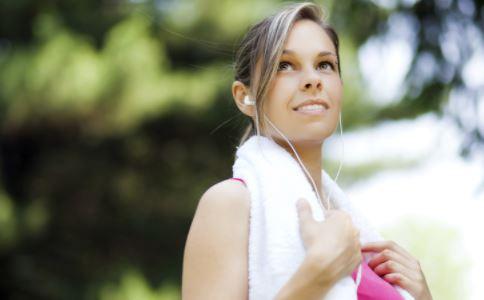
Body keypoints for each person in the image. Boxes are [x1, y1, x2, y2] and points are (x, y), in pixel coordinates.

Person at [182, 2, 433, 299]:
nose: (313, 79)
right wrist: (318, 275)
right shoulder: (229, 204)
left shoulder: (356, 238)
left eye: (325, 65)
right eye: (284, 65)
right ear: (245, 96)